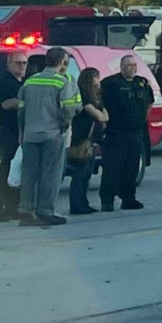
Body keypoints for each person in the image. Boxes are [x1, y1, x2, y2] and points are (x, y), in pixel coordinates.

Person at [17, 47, 80, 227]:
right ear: (61, 62)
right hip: (52, 134)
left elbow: (21, 111)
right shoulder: (62, 82)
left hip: (30, 135)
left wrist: (22, 132)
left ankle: (25, 211)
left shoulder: (29, 82)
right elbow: (68, 109)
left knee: (29, 174)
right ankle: (45, 211)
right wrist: (64, 125)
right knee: (50, 174)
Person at [99, 55, 153, 211]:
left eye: (134, 65)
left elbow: (149, 102)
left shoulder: (142, 83)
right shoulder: (110, 83)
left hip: (135, 133)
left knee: (132, 168)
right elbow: (100, 103)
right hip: (115, 133)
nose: (132, 68)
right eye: (129, 65)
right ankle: (107, 201)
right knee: (112, 168)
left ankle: (129, 199)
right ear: (121, 67)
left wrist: (141, 119)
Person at [0, 49, 29, 223]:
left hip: (20, 132)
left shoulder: (24, 83)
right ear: (9, 64)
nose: (22, 66)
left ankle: (12, 208)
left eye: (25, 63)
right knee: (6, 171)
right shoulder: (3, 83)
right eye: (18, 63)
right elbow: (5, 104)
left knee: (16, 172)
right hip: (8, 132)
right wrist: (25, 101)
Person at [66, 67, 108, 215]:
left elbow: (105, 115)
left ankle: (84, 203)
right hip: (80, 138)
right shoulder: (83, 95)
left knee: (87, 173)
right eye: (96, 77)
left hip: (91, 140)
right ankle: (77, 205)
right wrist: (101, 115)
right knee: (80, 173)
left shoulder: (95, 96)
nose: (98, 81)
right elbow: (98, 115)